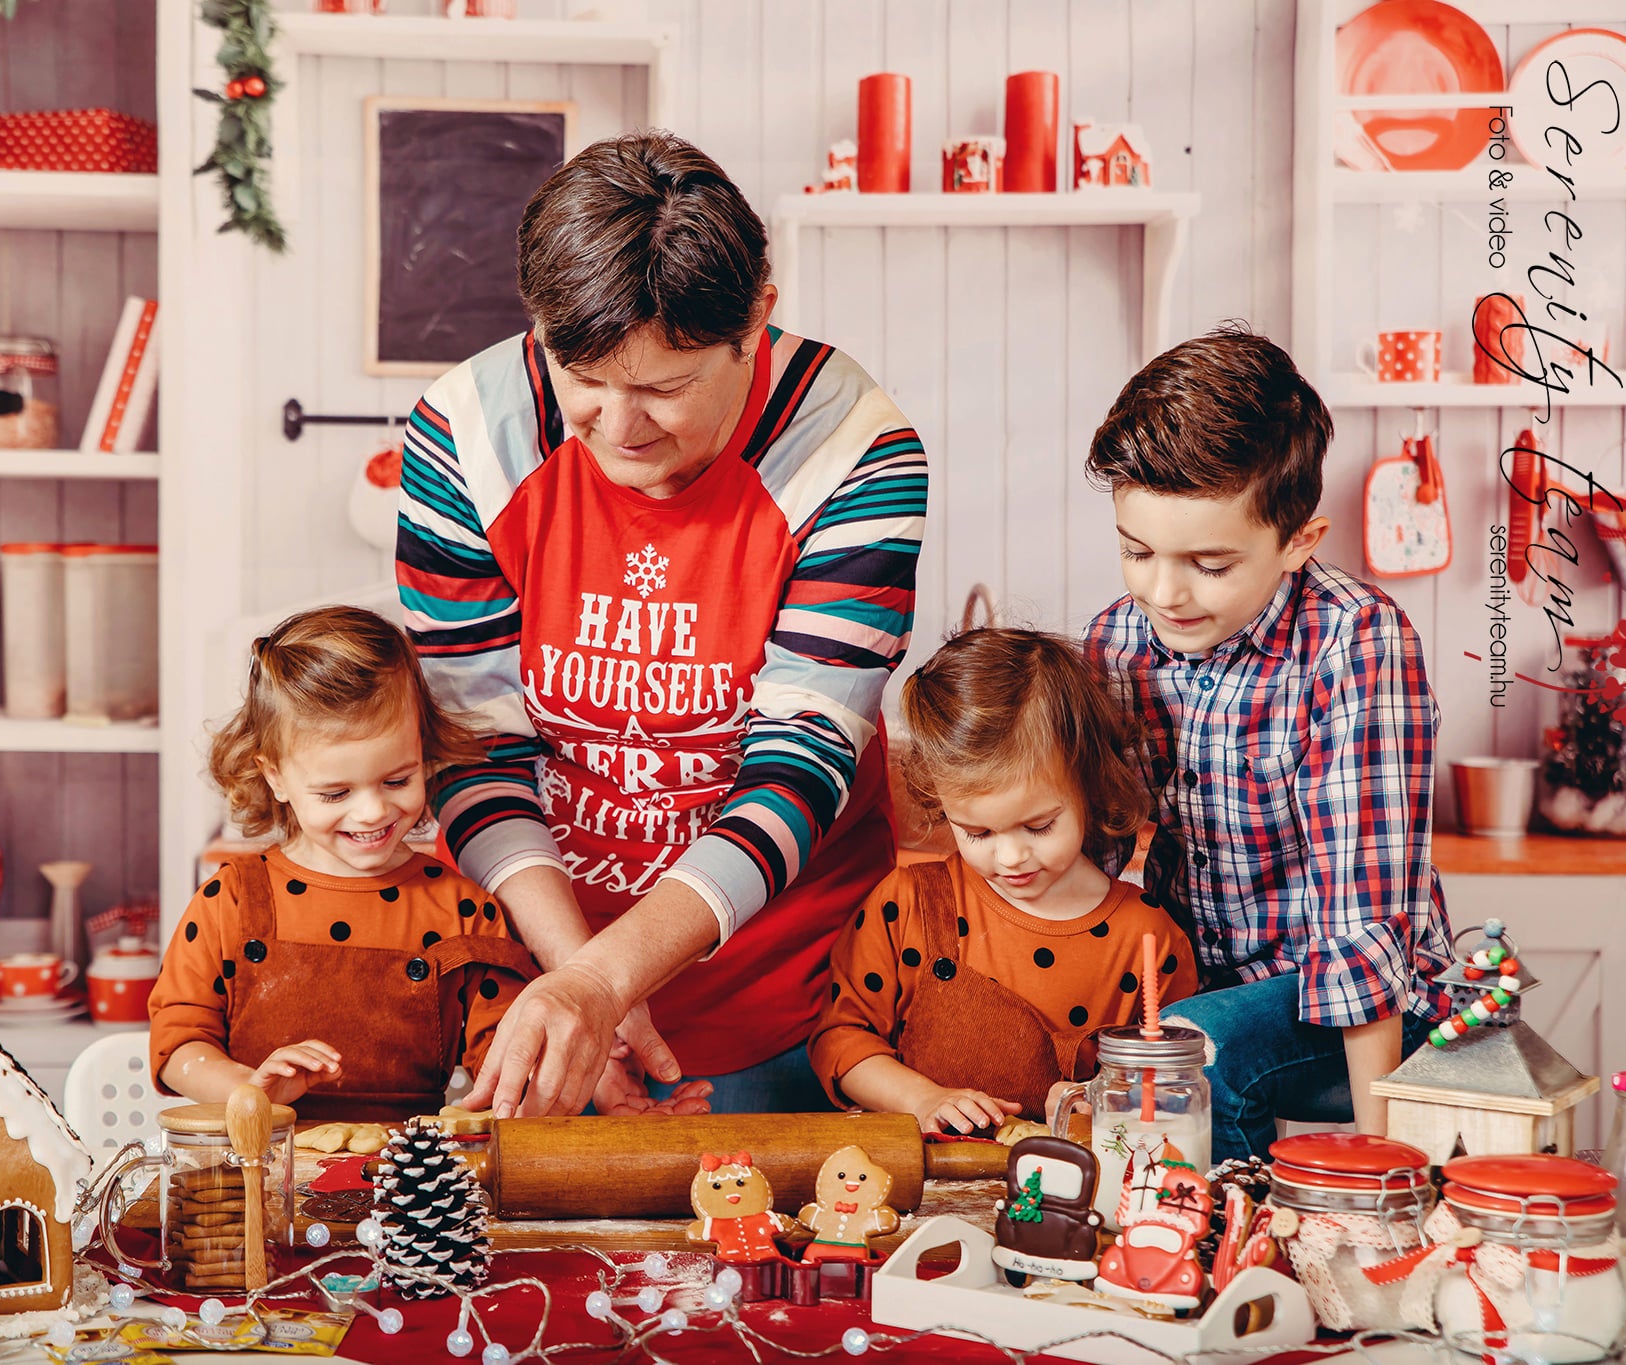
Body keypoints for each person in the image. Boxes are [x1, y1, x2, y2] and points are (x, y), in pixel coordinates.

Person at [396, 130, 928, 1118]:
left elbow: (797, 767)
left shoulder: (854, 448)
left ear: (756, 321)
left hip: (786, 1007)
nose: (618, 425)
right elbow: (475, 750)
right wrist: (582, 981)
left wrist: (606, 984)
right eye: (583, 377)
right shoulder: (466, 431)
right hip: (519, 983)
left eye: (665, 386)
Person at [1080, 324, 1454, 1161]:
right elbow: (1095, 865)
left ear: (1297, 543)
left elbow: (1363, 934)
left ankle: (1237, 1243)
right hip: (1199, 988)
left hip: (1379, 1009)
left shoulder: (1356, 645)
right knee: (1142, 1047)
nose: (1164, 591)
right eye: (1137, 551)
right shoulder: (1117, 641)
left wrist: (1380, 1159)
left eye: (1209, 563)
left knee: (1191, 1050)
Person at [149, 606, 537, 1118]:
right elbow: (176, 1046)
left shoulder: (465, 910)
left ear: (424, 750)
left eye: (397, 780)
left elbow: (506, 1063)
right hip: (260, 1176)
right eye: (335, 793)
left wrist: (529, 1080)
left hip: (407, 1184)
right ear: (276, 777)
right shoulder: (231, 901)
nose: (374, 810)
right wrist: (252, 1088)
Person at [808, 628, 1196, 1134]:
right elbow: (840, 1040)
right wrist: (921, 1098)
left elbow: (1171, 1097)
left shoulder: (1148, 939)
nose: (1011, 857)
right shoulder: (908, 907)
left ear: (1087, 781)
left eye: (1039, 826)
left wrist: (1101, 1105)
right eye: (977, 832)